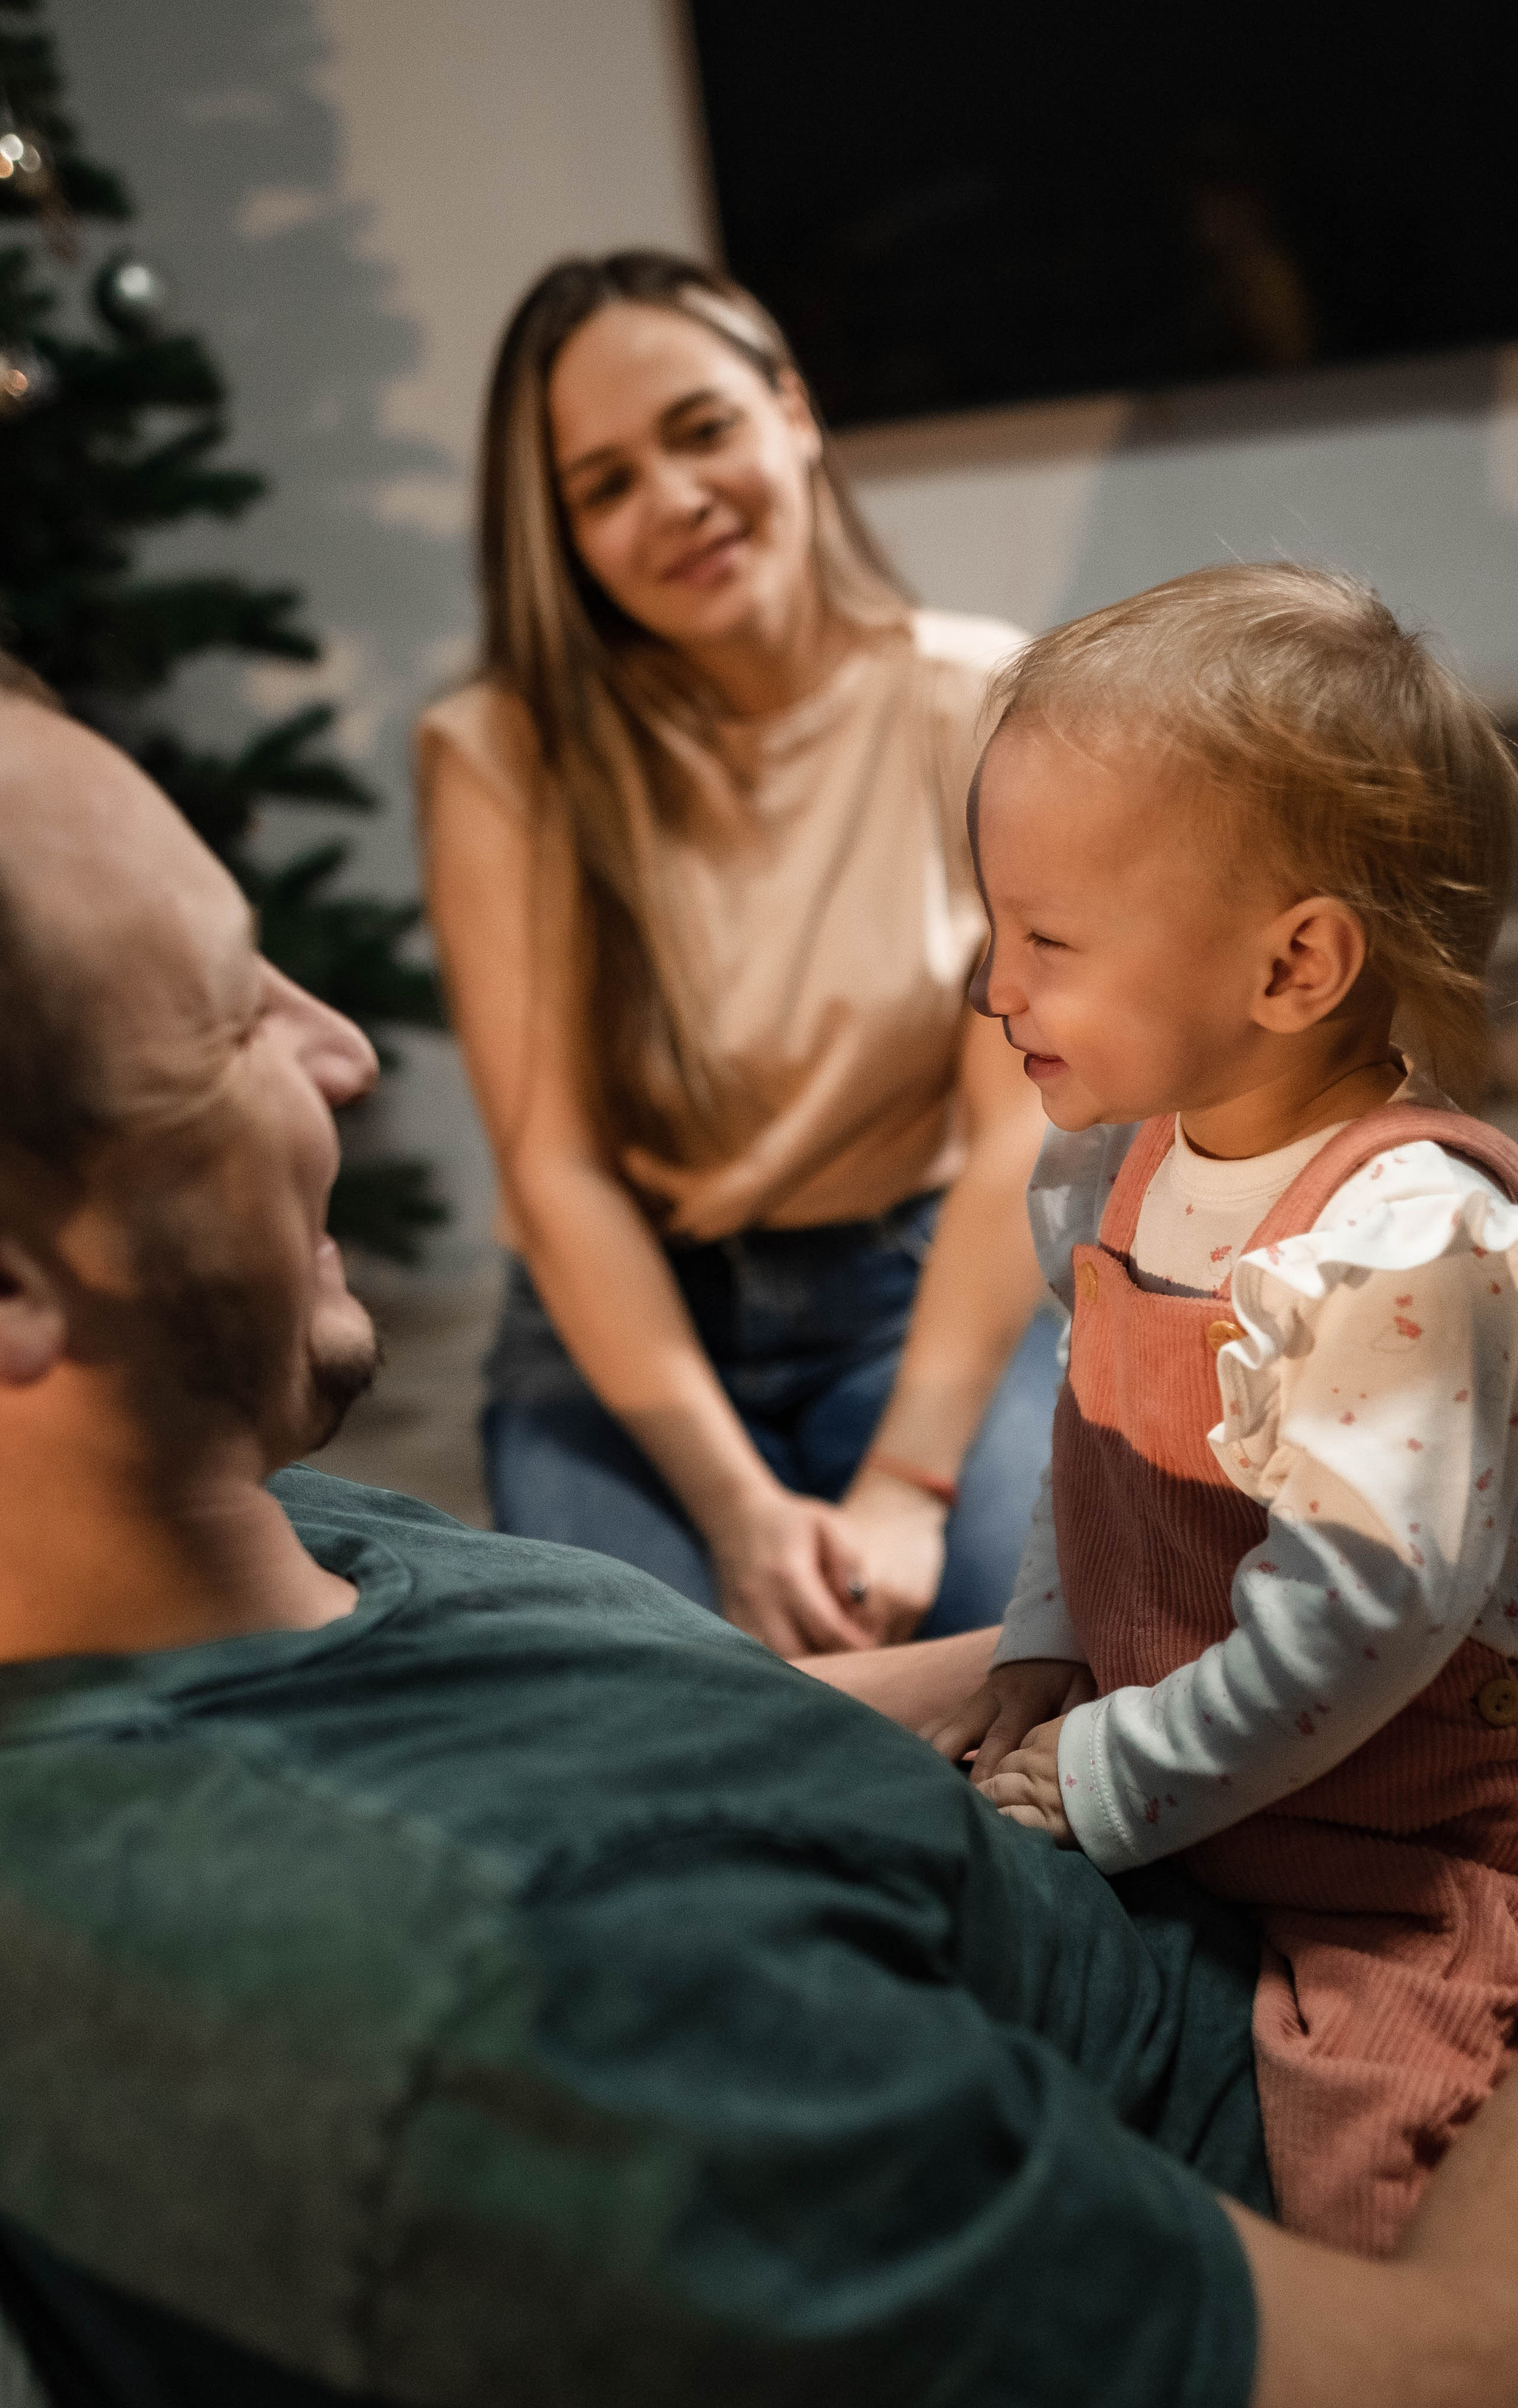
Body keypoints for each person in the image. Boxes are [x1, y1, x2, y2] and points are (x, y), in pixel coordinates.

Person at [0, 642, 1518, 2408]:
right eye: (228, 1012)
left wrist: (1241, 1656)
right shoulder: (481, 2024)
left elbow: (701, 1737)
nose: (351, 1050)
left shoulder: (166, 1569)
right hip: (1450, 2380)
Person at [927, 566, 1518, 2258]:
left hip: (1394, 1845)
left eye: (1045, 938)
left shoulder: (1400, 1258)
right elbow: (1089, 1448)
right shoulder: (1121, 1157)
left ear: (1295, 960)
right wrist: (1040, 1640)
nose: (985, 985)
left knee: (1383, 2185)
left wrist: (1107, 1769)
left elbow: (1357, 1633)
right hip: (1192, 1765)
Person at [418, 250, 1056, 1657]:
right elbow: (555, 1167)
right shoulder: (498, 756)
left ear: (793, 411)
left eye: (702, 431)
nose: (677, 502)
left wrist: (907, 1481)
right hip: (627, 1340)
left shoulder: (981, 698)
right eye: (604, 485)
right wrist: (737, 1511)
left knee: (1033, 1671)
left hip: (924, 1292)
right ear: (564, 536)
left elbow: (1022, 1128)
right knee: (670, 1705)